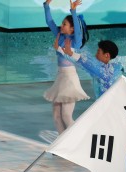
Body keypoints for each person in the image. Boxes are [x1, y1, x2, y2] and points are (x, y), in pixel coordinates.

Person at [55, 37, 126, 172]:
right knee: (102, 156)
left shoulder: (112, 71)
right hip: (104, 118)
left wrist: (75, 55)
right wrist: (66, 53)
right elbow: (86, 65)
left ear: (107, 55)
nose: (96, 54)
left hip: (115, 120)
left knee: (112, 157)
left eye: (98, 52)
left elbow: (91, 65)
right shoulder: (104, 67)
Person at [43, 0, 89, 136]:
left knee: (66, 116)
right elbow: (49, 22)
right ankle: (62, 144)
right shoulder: (59, 35)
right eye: (62, 23)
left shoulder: (76, 40)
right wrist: (46, 5)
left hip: (70, 79)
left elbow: (79, 31)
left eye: (65, 24)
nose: (61, 26)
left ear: (72, 28)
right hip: (60, 78)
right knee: (56, 116)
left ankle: (77, 141)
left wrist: (73, 11)